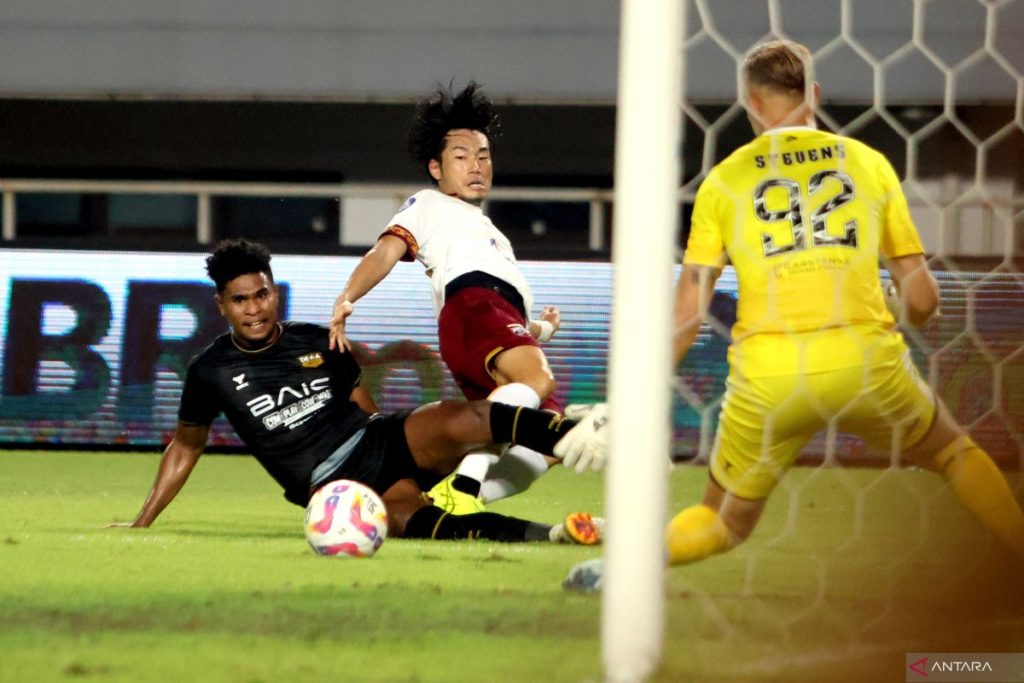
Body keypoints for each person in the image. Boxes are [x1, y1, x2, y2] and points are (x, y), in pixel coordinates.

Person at [565, 39, 1024, 590]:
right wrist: (896, 308)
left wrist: (630, 402)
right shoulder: (868, 164)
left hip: (769, 376)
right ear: (815, 94)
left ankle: (625, 571)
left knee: (721, 519)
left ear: (751, 103)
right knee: (953, 453)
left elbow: (687, 312)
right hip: (864, 362)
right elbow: (924, 301)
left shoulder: (725, 181)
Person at [113, 239, 607, 545]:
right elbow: (186, 446)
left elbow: (361, 405)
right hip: (335, 487)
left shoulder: (317, 339)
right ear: (221, 305)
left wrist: (397, 441)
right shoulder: (210, 371)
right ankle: (555, 535)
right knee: (421, 525)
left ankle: (584, 432)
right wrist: (143, 520)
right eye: (240, 300)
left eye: (261, 294)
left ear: (274, 292)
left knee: (472, 417)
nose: (254, 308)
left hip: (379, 439)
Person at [329, 81, 567, 514]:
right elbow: (384, 252)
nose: (476, 166)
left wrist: (543, 329)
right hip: (473, 307)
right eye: (461, 157)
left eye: (484, 156)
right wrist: (348, 296)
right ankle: (465, 484)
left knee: (549, 440)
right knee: (538, 381)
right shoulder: (427, 204)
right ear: (436, 168)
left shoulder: (492, 233)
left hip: (489, 318)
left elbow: (512, 323)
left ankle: (449, 502)